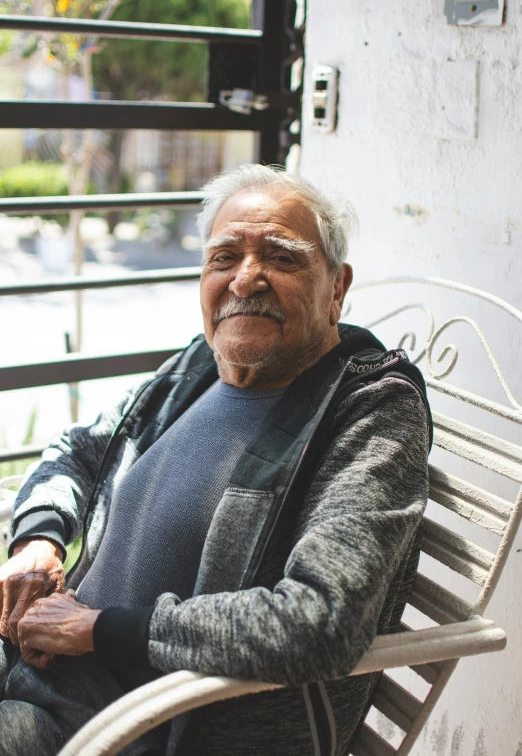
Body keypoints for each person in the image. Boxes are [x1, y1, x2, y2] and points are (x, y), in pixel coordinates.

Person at [0, 165, 431, 756]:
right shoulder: (197, 369)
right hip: (35, 666)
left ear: (336, 287)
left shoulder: (367, 408)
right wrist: (38, 542)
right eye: (224, 257)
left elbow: (321, 620)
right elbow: (78, 450)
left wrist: (99, 631)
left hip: (122, 727)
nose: (246, 279)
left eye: (281, 257)